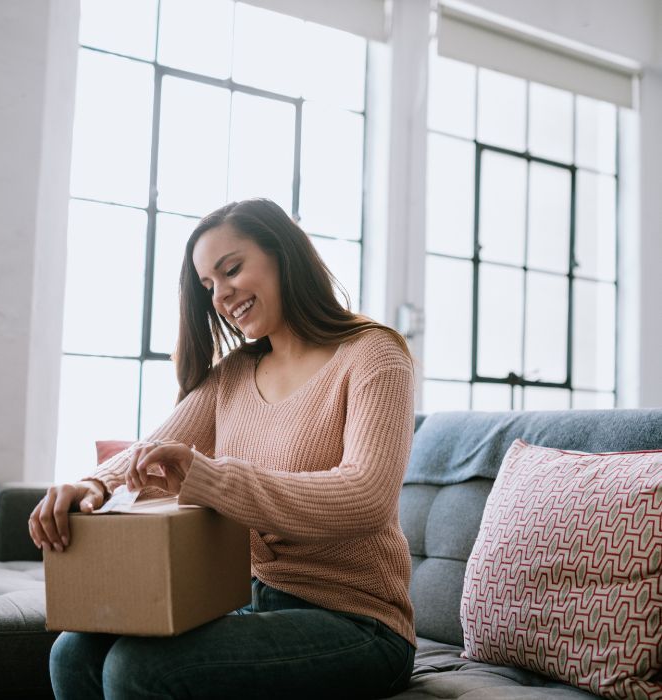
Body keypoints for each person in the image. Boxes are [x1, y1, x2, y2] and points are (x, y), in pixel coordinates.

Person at [30, 198, 417, 699]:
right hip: (249, 601)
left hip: (360, 623)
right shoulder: (232, 375)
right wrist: (92, 484)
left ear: (284, 254)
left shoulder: (372, 354)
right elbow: (155, 448)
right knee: (73, 651)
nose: (219, 296)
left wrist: (210, 477)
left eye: (231, 269)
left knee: (140, 670)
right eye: (208, 285)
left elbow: (366, 497)